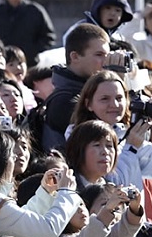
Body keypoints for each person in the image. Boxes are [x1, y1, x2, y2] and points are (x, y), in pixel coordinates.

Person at [41, 23, 111, 151]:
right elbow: (102, 136)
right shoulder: (64, 101)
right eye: (99, 55)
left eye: (107, 55)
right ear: (75, 56)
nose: (106, 62)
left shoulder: (89, 91)